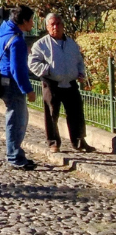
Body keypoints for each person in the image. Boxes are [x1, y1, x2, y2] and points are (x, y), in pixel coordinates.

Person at [28, 11, 95, 153]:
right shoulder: (41, 45)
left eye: (58, 24)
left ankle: (79, 141)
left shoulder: (71, 43)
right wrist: (47, 70)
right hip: (52, 83)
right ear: (47, 27)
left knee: (76, 113)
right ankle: (53, 142)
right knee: (52, 114)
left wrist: (81, 72)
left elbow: (79, 60)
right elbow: (33, 63)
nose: (56, 27)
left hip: (70, 83)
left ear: (63, 26)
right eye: (52, 24)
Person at [0, 4, 37, 170]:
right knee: (16, 120)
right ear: (24, 21)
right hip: (12, 84)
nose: (33, 24)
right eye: (32, 20)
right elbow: (17, 69)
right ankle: (14, 156)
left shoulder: (5, 30)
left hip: (3, 80)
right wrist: (28, 89)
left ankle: (16, 153)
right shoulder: (17, 41)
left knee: (16, 118)